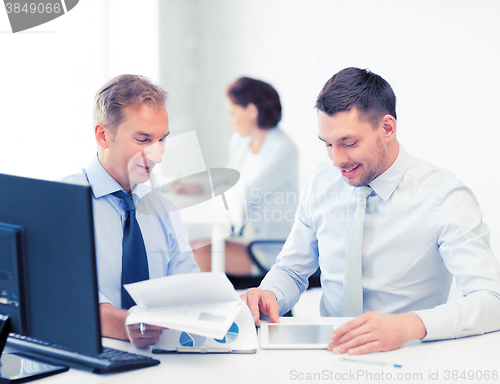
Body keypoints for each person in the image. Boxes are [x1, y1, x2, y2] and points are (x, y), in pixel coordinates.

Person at [242, 67, 500, 355]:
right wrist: (270, 294)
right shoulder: (322, 183)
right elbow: (291, 269)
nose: (337, 159)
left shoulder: (444, 197)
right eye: (328, 144)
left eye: (349, 143)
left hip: (410, 357)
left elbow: (491, 299)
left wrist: (411, 325)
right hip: (330, 356)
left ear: (387, 128)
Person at [64, 74, 200, 348]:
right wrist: (126, 323)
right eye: (143, 139)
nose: (157, 155)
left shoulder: (163, 209)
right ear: (103, 135)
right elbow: (65, 298)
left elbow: (187, 287)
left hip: (156, 360)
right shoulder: (60, 203)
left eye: (162, 140)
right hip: (86, 359)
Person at [171, 77, 299, 275]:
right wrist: (195, 188)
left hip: (266, 248)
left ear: (251, 111)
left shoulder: (284, 151)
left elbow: (243, 195)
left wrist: (204, 199)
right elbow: (228, 181)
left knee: (200, 250)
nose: (230, 121)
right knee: (188, 246)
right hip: (242, 237)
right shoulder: (241, 142)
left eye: (232, 113)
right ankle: (196, 303)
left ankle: (207, 305)